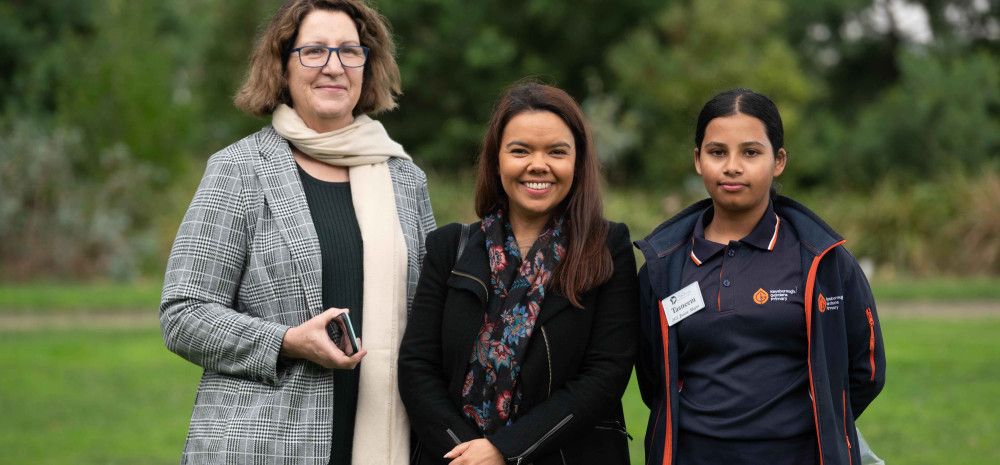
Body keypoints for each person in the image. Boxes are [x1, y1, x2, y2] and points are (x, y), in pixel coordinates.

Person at [159, 1, 434, 464]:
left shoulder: (406, 180)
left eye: (350, 51)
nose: (333, 66)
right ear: (283, 67)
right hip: (262, 444)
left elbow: (428, 317)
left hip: (388, 440)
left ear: (368, 67)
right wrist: (286, 342)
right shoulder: (240, 170)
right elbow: (183, 314)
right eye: (314, 51)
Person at [634, 88, 886, 465]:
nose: (733, 166)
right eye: (717, 152)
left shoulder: (823, 259)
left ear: (778, 160)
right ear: (698, 160)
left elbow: (865, 371)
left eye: (751, 152)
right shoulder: (664, 265)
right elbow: (654, 376)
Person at [398, 82, 639, 465]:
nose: (537, 165)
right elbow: (417, 367)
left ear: (577, 162)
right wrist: (466, 454)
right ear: (497, 159)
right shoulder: (450, 247)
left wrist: (504, 451)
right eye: (520, 151)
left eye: (557, 152)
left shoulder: (608, 247)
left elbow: (606, 375)